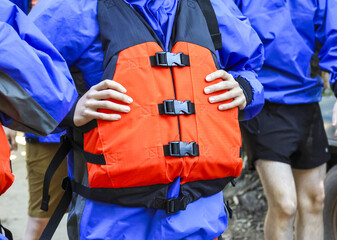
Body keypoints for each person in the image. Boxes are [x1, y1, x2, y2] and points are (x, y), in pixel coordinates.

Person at [29, 0, 265, 239]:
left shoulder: (211, 7)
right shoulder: (74, 8)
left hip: (200, 216)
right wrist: (68, 108)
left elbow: (251, 68)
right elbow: (19, 72)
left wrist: (245, 88)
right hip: (112, 222)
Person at [233, 0, 337, 239]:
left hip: (305, 102)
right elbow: (224, 35)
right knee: (285, 204)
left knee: (315, 200)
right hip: (262, 103)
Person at [0, 0, 78, 239]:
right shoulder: (55, 9)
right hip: (50, 133)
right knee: (40, 219)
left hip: (92, 133)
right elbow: (18, 55)